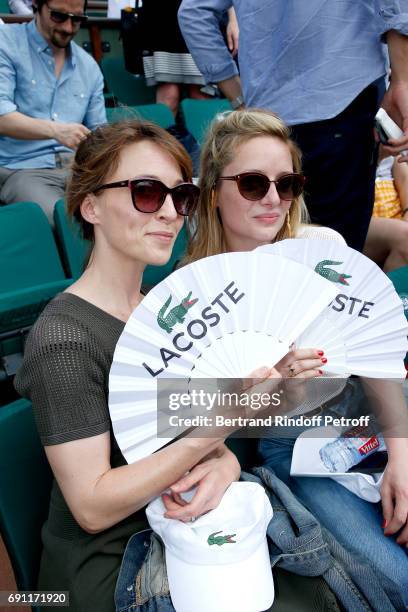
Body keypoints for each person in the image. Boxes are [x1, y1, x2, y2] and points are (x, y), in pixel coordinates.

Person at [13, 120, 257, 611]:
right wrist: (214, 435)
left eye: (180, 195)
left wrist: (224, 462)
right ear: (90, 206)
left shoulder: (158, 311)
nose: (169, 212)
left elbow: (184, 436)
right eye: (146, 192)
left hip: (179, 529)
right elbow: (91, 507)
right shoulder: (65, 339)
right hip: (111, 568)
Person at [184, 108, 408, 601]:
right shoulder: (196, 296)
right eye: (251, 184)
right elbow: (218, 421)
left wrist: (402, 455)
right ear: (213, 191)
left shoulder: (321, 245)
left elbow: (375, 361)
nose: (272, 199)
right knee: (396, 577)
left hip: (375, 419)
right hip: (297, 450)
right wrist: (285, 391)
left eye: (286, 184)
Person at [178, 0, 408, 251]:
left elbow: (193, 13)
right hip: (341, 105)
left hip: (274, 116)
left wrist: (237, 96)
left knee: (281, 251)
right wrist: (402, 80)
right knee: (333, 259)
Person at [0, 0, 106, 224]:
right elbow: (1, 117)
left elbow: (99, 133)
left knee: (124, 210)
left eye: (77, 19)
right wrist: (56, 131)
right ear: (36, 5)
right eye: (58, 16)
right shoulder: (6, 42)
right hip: (23, 169)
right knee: (62, 220)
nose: (68, 27)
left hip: (77, 170)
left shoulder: (89, 66)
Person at [364, 148, 408, 271]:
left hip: (396, 205)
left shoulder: (384, 131)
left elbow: (404, 177)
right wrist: (378, 158)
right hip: (360, 213)